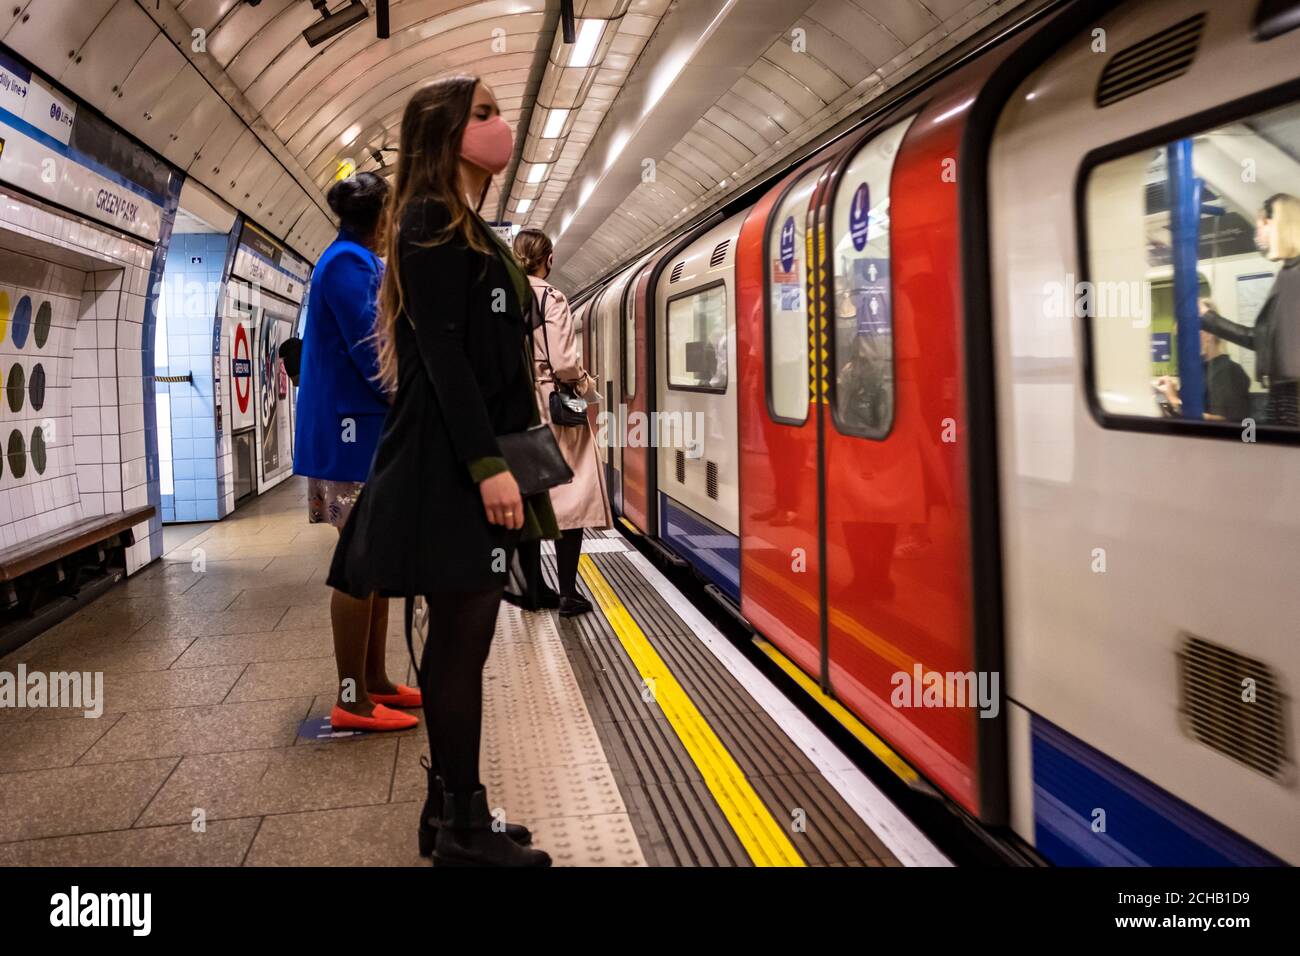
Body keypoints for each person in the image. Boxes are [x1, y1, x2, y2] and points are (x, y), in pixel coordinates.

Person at [327, 76, 556, 867]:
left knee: (466, 642)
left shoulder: (467, 225)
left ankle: (443, 812)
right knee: (461, 646)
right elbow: (446, 357)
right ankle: (464, 827)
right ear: (445, 133)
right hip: (449, 465)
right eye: (484, 114)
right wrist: (489, 467)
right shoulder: (428, 219)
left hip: (462, 457)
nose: (501, 126)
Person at [293, 172, 419, 734]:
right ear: (381, 217)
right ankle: (352, 697)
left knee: (375, 556)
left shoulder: (364, 263)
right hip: (352, 438)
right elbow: (374, 352)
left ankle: (375, 681)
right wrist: (417, 400)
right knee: (357, 564)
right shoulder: (344, 264)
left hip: (369, 435)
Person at [507, 228, 612, 617]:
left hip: (515, 408)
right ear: (547, 259)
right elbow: (565, 363)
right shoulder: (551, 297)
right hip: (553, 404)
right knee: (572, 496)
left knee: (531, 497)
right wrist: (586, 387)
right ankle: (568, 593)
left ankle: (533, 588)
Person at [1199, 193, 1300, 427]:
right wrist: (1209, 318)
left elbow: (1259, 340)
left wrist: (1209, 319)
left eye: (1260, 227)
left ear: (1275, 224)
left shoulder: (1294, 277)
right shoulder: (1288, 273)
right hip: (1284, 391)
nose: (1259, 237)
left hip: (1292, 394)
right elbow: (1263, 339)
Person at [1156, 305, 1251, 422]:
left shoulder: (1229, 371)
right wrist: (1174, 392)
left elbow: (1222, 422)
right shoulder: (1201, 372)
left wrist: (1174, 399)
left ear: (1208, 334)